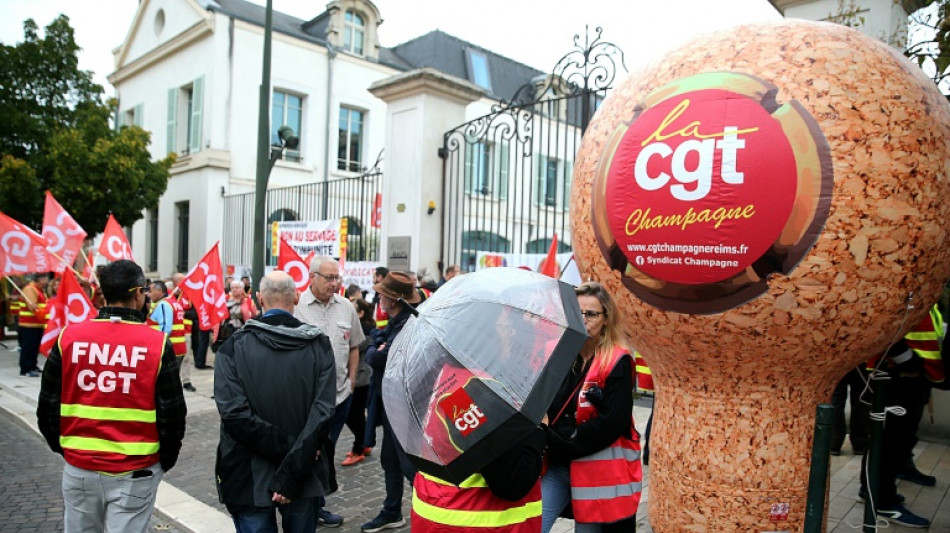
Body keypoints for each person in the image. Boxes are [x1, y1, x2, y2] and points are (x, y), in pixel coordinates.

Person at [36, 260, 187, 533]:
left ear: (103, 292)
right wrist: (164, 460)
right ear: (139, 294)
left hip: (80, 466)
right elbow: (173, 415)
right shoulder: (156, 343)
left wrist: (68, 451)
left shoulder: (69, 337)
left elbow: (47, 409)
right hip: (136, 469)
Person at [214, 271, 337, 533]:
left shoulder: (233, 347)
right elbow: (324, 413)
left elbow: (235, 415)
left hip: (250, 476)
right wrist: (295, 460)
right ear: (297, 297)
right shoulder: (320, 346)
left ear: (259, 299)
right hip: (303, 471)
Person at [541, 281, 642, 533]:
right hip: (559, 464)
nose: (584, 319)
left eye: (592, 314)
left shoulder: (617, 360)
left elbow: (612, 423)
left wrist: (562, 442)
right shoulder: (562, 354)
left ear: (606, 319)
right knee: (533, 524)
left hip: (598, 473)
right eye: (578, 313)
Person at [294, 256, 365, 528]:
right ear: (312, 277)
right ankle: (303, 505)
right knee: (308, 453)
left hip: (339, 398)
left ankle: (316, 506)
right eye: (329, 278)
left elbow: (355, 345)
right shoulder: (296, 306)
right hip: (306, 401)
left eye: (337, 278)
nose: (335, 283)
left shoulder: (346, 307)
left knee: (325, 454)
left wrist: (351, 381)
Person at [859, 304, 945, 528]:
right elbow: (882, 322)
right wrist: (906, 359)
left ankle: (873, 490)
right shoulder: (906, 280)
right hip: (899, 372)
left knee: (892, 440)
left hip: (909, 372)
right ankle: (882, 501)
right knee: (890, 440)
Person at [361, 272, 424, 532]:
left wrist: (377, 346)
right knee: (390, 459)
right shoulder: (396, 322)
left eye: (381, 294)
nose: (378, 297)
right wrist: (378, 343)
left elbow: (376, 358)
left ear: (393, 299)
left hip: (402, 406)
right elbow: (376, 344)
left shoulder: (406, 324)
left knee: (408, 464)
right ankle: (392, 510)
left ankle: (431, 508)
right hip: (391, 402)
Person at [341, 297, 375, 467]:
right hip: (358, 377)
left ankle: (359, 448)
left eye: (352, 309)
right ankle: (364, 442)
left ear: (360, 314)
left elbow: (348, 347)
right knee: (356, 414)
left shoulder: (364, 331)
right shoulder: (358, 328)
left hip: (361, 379)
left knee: (351, 414)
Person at [829, 366, 869, 456]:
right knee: (861, 400)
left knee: (836, 400)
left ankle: (834, 443)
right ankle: (860, 444)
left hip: (839, 360)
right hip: (861, 361)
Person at [16, 272, 50, 376]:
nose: (47, 281)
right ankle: (26, 369)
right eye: (45, 278)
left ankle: (33, 366)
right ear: (40, 279)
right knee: (28, 347)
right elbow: (32, 307)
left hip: (37, 324)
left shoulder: (39, 290)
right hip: (28, 325)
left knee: (34, 347)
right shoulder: (30, 289)